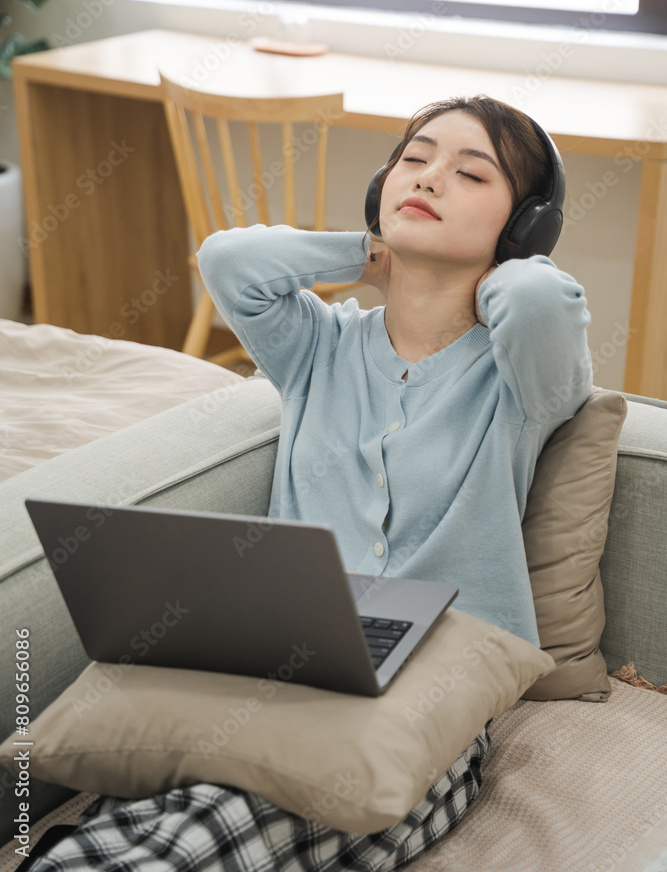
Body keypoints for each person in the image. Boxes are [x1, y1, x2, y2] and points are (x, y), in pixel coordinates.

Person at [29, 95, 592, 872]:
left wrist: (501, 262)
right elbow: (228, 260)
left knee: (219, 827)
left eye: (470, 173)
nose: (428, 179)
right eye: (414, 159)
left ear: (524, 224)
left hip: (427, 696)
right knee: (143, 820)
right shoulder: (317, 348)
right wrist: (368, 251)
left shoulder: (516, 382)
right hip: (280, 667)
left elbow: (539, 304)